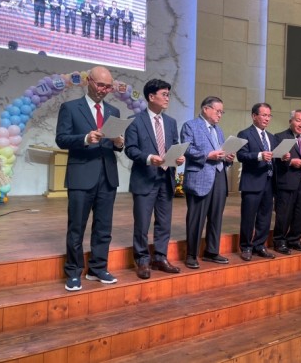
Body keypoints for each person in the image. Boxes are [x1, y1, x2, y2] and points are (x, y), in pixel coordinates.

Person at [55, 66, 124, 291]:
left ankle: (98, 268)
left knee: (104, 227)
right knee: (76, 227)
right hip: (81, 175)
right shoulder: (70, 108)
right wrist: (85, 138)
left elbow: (117, 145)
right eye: (100, 85)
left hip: (108, 176)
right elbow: (61, 139)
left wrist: (119, 143)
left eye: (108, 87)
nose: (104, 90)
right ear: (88, 81)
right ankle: (74, 271)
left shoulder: (114, 111)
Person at [124, 79, 184, 280]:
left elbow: (174, 146)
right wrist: (150, 158)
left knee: (164, 223)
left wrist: (178, 158)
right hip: (145, 179)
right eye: (164, 94)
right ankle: (142, 260)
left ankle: (160, 257)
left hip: (166, 179)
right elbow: (130, 149)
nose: (167, 98)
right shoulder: (135, 120)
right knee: (142, 224)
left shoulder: (171, 122)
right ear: (151, 97)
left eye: (168, 94)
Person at [180, 97, 235, 269]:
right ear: (206, 109)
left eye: (222, 112)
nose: (220, 115)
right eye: (218, 111)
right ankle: (191, 254)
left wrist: (227, 157)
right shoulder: (190, 126)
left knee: (216, 216)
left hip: (219, 176)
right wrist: (207, 155)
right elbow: (187, 148)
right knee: (196, 218)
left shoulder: (218, 130)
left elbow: (221, 152)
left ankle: (212, 251)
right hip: (200, 177)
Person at [273, 109, 301, 254]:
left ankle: (294, 240)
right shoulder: (279, 137)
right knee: (284, 213)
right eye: (298, 121)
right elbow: (275, 159)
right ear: (290, 121)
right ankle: (279, 241)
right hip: (287, 181)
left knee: (300, 213)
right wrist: (290, 161)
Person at [236, 103, 277, 261]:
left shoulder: (271, 137)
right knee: (248, 217)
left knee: (265, 217)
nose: (267, 118)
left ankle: (259, 245)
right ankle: (246, 247)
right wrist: (259, 156)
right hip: (252, 182)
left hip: (269, 181)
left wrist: (283, 156)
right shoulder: (245, 134)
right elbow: (241, 155)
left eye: (269, 115)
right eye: (264, 115)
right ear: (254, 116)